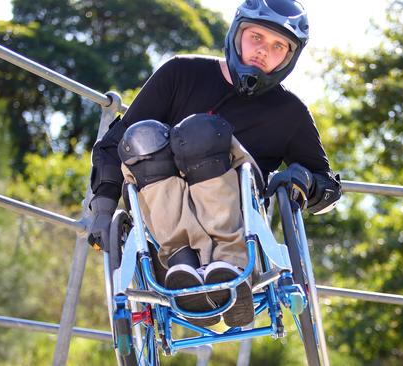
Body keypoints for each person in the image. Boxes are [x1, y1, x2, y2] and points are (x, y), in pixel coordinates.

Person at [88, 0, 342, 328]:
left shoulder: (289, 113)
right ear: (237, 34)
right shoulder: (181, 73)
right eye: (256, 38)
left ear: (290, 57)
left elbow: (327, 185)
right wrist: (103, 208)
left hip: (241, 242)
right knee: (143, 136)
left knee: (201, 132)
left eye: (278, 46)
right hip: (161, 242)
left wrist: (303, 179)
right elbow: (115, 144)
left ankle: (228, 268)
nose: (263, 51)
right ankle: (183, 265)